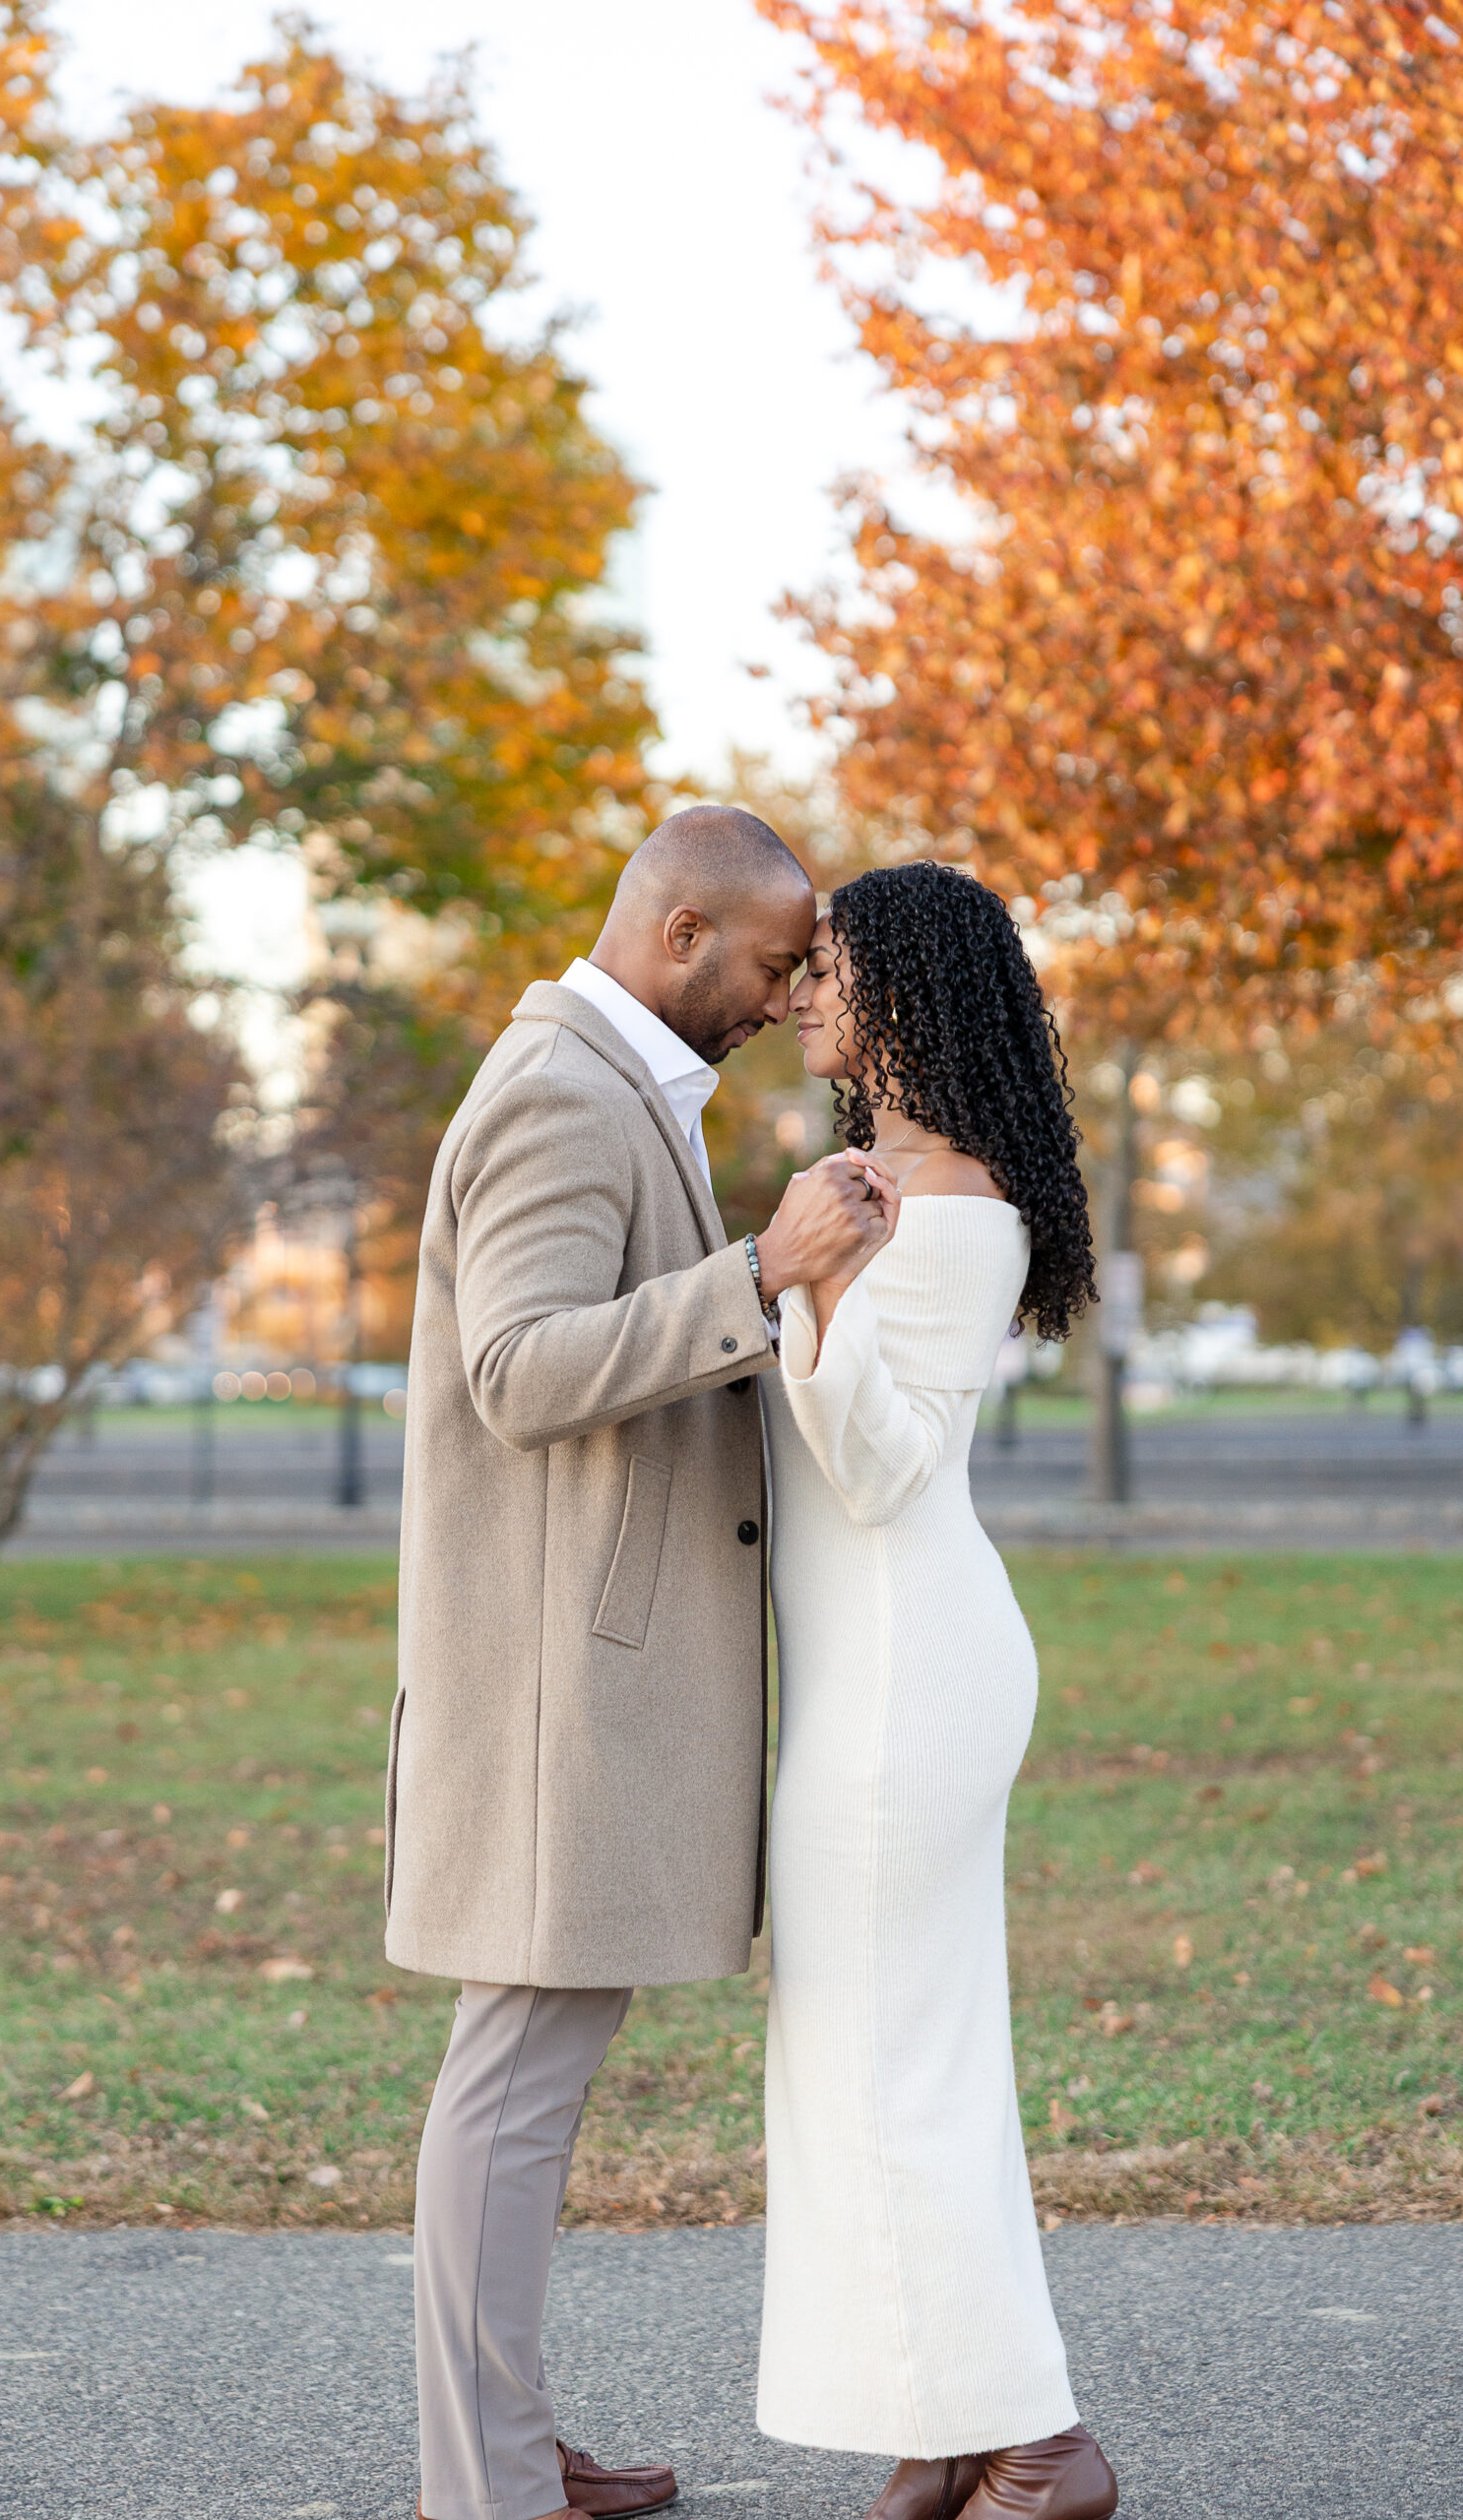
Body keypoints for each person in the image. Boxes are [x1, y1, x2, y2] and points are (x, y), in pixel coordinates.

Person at [385, 805, 897, 2520]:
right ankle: (487, 2486)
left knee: (533, 2070)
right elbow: (520, 1372)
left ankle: (507, 2449)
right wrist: (761, 1271)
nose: (779, 998)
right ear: (680, 932)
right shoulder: (557, 1094)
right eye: (767, 964)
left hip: (579, 1679)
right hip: (554, 1690)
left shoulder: (612, 1088)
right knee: (516, 2077)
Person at [757, 861, 1118, 2520]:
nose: (802, 993)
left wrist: (811, 1288)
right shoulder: (873, 1181)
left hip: (911, 1667)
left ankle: (1036, 2444)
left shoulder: (947, 1204)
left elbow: (889, 1467)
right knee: (883, 2056)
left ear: (908, 992)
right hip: (883, 1667)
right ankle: (948, 2419)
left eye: (828, 970)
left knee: (891, 2062)